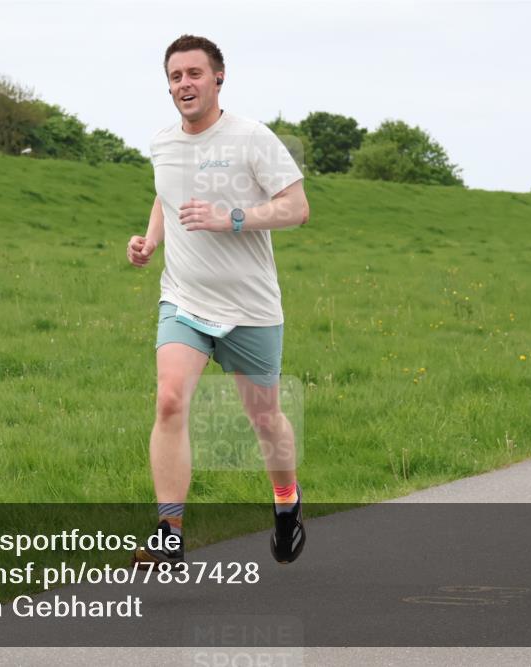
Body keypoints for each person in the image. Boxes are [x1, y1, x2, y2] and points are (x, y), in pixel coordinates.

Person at [127, 34, 309, 569]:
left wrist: (233, 218)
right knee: (170, 400)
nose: (185, 83)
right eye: (176, 76)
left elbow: (297, 207)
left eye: (195, 73)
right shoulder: (163, 142)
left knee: (266, 419)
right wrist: (150, 240)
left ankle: (286, 502)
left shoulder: (251, 137)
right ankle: (169, 530)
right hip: (183, 298)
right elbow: (166, 191)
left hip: (250, 308)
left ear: (218, 78)